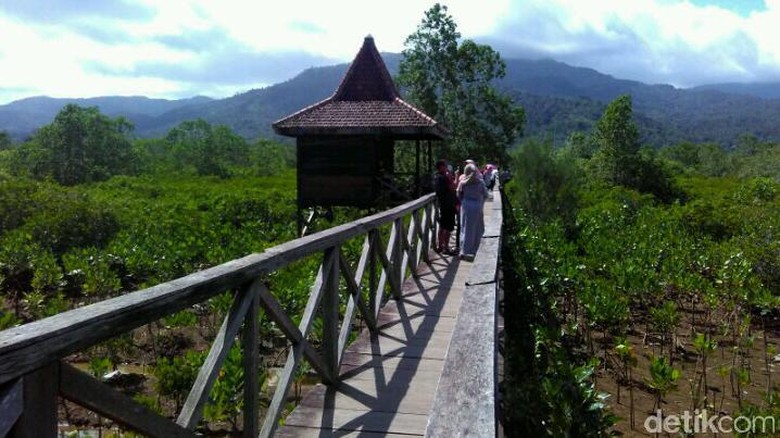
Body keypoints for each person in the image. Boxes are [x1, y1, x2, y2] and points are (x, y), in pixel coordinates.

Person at [457, 163, 488, 261]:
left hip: (466, 206)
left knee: (465, 227)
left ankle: (465, 250)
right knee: (477, 228)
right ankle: (475, 249)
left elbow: (458, 194)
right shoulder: (480, 182)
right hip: (477, 206)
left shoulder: (463, 182)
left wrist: (464, 201)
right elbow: (486, 194)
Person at [433, 159, 458, 254]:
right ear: (441, 167)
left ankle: (440, 246)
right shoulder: (443, 178)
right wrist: (453, 177)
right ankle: (446, 247)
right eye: (445, 165)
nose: (447, 167)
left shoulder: (437, 177)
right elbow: (453, 187)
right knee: (447, 227)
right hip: (448, 205)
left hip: (443, 204)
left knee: (443, 226)